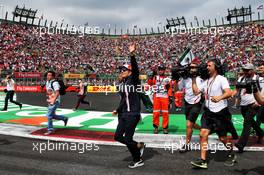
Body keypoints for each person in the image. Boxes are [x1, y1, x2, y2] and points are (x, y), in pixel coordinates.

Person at [191, 58, 237, 169]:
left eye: (209, 65)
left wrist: (220, 97)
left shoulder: (221, 79)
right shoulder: (206, 80)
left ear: (215, 67)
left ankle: (231, 151)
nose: (207, 67)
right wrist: (192, 78)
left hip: (220, 113)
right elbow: (196, 91)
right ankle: (203, 160)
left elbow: (228, 92)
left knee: (223, 139)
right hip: (208, 112)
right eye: (207, 66)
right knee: (203, 133)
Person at [113, 43, 145, 169]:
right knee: (117, 137)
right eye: (121, 70)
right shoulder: (124, 82)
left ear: (130, 71)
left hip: (132, 114)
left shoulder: (133, 79)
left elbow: (136, 69)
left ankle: (137, 159)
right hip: (123, 114)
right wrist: (118, 109)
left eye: (124, 70)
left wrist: (132, 54)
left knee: (127, 139)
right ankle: (139, 145)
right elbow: (123, 99)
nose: (121, 71)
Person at [232, 63, 264, 152]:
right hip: (243, 104)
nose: (245, 72)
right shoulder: (241, 78)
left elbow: (263, 91)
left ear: (252, 70)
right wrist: (232, 95)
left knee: (247, 123)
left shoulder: (259, 79)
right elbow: (237, 89)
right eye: (244, 70)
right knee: (251, 122)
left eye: (247, 70)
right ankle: (261, 133)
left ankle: (241, 144)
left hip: (253, 104)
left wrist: (258, 102)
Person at [178, 62, 203, 153]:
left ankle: (187, 144)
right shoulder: (185, 78)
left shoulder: (200, 79)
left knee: (189, 125)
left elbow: (197, 91)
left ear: (197, 69)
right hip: (187, 102)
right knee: (190, 124)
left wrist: (193, 79)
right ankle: (203, 129)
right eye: (191, 67)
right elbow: (179, 88)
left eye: (194, 67)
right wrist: (179, 78)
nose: (192, 69)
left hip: (196, 103)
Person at [148, 65, 172, 134]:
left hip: (165, 97)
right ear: (158, 70)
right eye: (160, 69)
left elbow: (170, 88)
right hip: (157, 97)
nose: (161, 71)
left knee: (165, 113)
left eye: (162, 69)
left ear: (164, 70)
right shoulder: (155, 77)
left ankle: (165, 128)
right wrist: (150, 77)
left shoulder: (167, 79)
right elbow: (150, 84)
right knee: (156, 113)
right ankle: (156, 127)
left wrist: (170, 97)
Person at [45, 71, 68, 135]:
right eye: (47, 75)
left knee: (49, 115)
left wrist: (53, 100)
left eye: (49, 75)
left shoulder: (55, 83)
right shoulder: (47, 82)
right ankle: (64, 118)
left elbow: (57, 93)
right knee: (51, 115)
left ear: (53, 76)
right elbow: (49, 91)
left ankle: (50, 129)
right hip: (51, 100)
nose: (48, 76)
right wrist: (49, 98)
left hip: (55, 101)